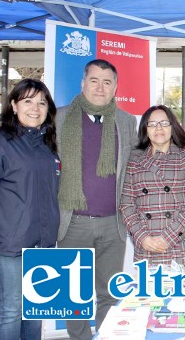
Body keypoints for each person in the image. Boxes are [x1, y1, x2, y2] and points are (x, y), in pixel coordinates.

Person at [0, 78, 60, 340]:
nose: (35, 108)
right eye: (28, 101)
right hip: (10, 246)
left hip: (42, 245)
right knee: (12, 310)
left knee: (35, 310)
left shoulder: (47, 144)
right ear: (14, 105)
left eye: (41, 103)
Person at [56, 59, 137, 339]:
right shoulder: (58, 117)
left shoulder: (127, 122)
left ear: (115, 87)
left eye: (107, 82)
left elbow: (136, 164)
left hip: (113, 224)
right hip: (72, 222)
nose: (100, 87)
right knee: (72, 295)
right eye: (94, 80)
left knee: (109, 292)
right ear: (82, 83)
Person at [120, 105, 185, 269]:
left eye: (164, 123)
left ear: (172, 126)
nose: (158, 128)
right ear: (145, 129)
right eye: (152, 124)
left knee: (180, 294)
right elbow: (127, 204)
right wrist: (142, 238)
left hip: (179, 245)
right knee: (149, 294)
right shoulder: (135, 159)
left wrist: (168, 237)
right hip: (148, 245)